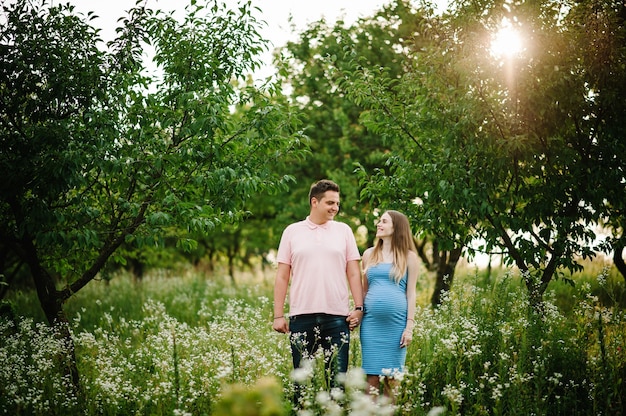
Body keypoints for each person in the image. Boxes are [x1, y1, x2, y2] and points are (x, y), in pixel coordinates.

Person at [272, 179, 364, 398]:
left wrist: (359, 307)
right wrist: (278, 315)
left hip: (337, 318)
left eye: (337, 203)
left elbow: (353, 272)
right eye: (330, 203)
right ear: (315, 201)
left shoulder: (344, 231)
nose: (335, 208)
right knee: (301, 386)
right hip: (301, 316)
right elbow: (282, 276)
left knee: (337, 385)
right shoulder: (292, 231)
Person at [359, 210, 418, 400]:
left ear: (396, 227)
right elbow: (364, 290)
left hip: (396, 326)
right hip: (371, 326)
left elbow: (411, 293)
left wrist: (409, 327)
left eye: (384, 221)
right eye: (379, 221)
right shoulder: (369, 254)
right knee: (372, 379)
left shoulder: (409, 257)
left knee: (392, 380)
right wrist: (358, 312)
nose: (379, 224)